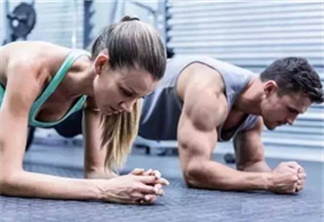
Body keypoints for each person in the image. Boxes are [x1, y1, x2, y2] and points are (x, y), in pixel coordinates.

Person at [0, 16, 169, 204]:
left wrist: (135, 184)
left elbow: (96, 172)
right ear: (101, 64)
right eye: (126, 92)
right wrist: (103, 190)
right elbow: (7, 178)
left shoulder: (97, 93)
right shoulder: (30, 68)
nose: (128, 108)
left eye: (139, 98)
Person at [139, 56, 323, 194]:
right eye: (292, 110)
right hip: (121, 111)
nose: (291, 121)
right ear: (269, 89)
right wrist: (269, 180)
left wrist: (284, 178)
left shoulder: (254, 112)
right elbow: (194, 171)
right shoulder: (209, 90)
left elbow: (252, 164)